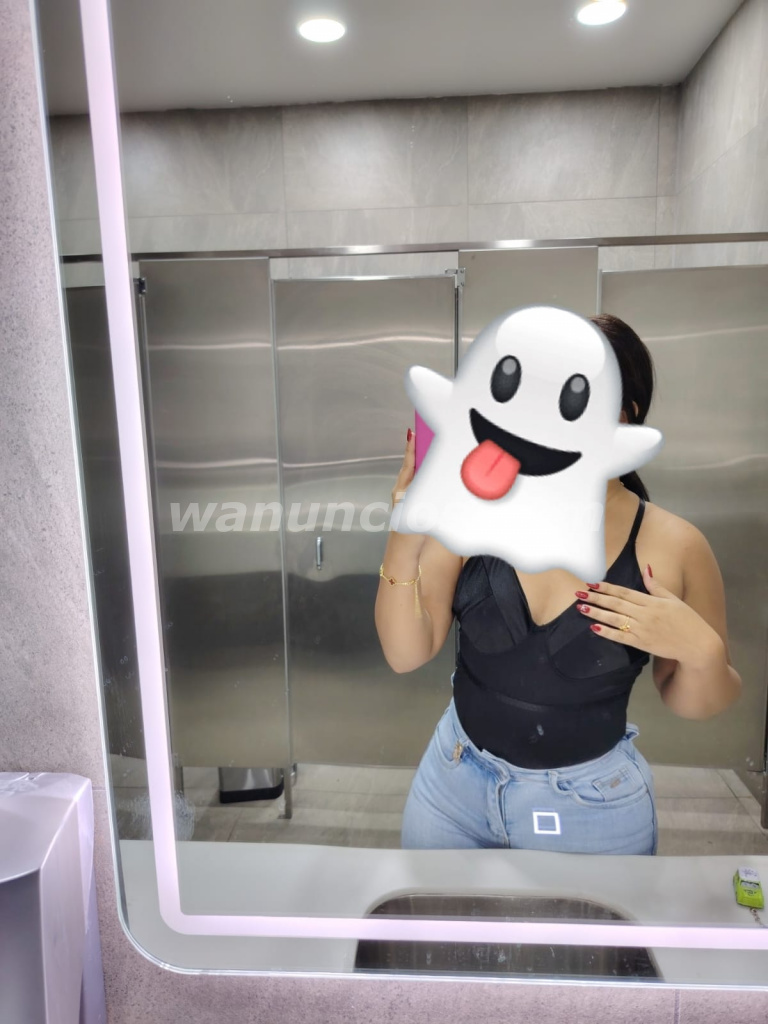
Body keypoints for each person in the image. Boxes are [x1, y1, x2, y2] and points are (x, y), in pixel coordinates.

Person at [375, 314, 741, 855]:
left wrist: (701, 651)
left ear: (624, 415)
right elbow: (405, 653)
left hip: (592, 811)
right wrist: (404, 537)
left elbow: (696, 702)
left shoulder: (673, 545)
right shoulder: (476, 512)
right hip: (453, 786)